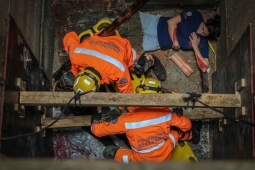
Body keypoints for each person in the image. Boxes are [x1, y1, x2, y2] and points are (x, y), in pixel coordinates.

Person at [91, 78, 201, 163]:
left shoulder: (126, 120)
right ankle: (191, 136)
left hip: (141, 160)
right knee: (175, 133)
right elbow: (187, 125)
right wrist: (178, 116)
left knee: (111, 152)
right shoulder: (167, 114)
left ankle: (116, 155)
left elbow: (97, 131)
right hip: (164, 155)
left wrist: (96, 117)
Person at [57, 31, 166, 94]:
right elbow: (70, 36)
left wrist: (121, 108)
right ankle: (60, 86)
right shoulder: (75, 54)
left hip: (119, 48)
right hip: (100, 42)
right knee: (68, 79)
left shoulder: (118, 70)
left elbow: (127, 92)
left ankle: (152, 60)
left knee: (139, 67)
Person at [139, 9, 221, 93]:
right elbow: (171, 22)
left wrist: (195, 47)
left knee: (130, 45)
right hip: (155, 24)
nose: (201, 32)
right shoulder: (195, 16)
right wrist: (175, 42)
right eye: (203, 28)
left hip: (156, 42)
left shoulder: (203, 43)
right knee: (128, 24)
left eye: (205, 34)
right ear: (205, 22)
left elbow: (204, 68)